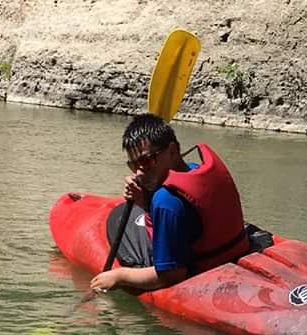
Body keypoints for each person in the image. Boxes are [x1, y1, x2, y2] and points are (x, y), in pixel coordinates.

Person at [90, 113, 250, 294]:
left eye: (147, 161)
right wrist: (144, 201)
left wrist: (120, 276)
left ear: (173, 151)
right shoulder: (195, 168)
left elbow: (170, 276)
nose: (139, 173)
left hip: (198, 267)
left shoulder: (164, 201)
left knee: (117, 219)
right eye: (134, 165)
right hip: (230, 250)